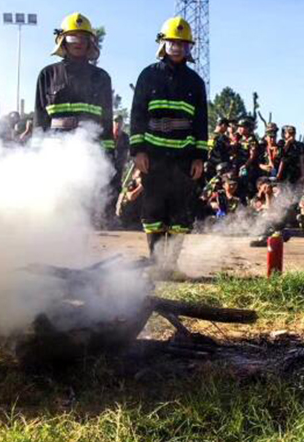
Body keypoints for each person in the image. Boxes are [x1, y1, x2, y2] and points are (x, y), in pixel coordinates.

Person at [130, 17, 208, 277]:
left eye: (182, 44)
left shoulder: (196, 82)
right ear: (162, 44)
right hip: (153, 158)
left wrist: (199, 157)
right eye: (171, 42)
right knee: (152, 211)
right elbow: (137, 115)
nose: (176, 47)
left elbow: (200, 123)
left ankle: (171, 266)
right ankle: (155, 264)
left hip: (183, 159)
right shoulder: (148, 75)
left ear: (189, 48)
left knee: (180, 213)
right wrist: (137, 151)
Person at [34, 13, 114, 155]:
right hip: (54, 152)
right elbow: (40, 120)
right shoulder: (47, 74)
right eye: (73, 37)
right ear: (62, 41)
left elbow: (106, 122)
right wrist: (36, 151)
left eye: (84, 38)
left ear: (90, 42)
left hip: (91, 152)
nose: (79, 42)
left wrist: (108, 154)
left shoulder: (102, 77)